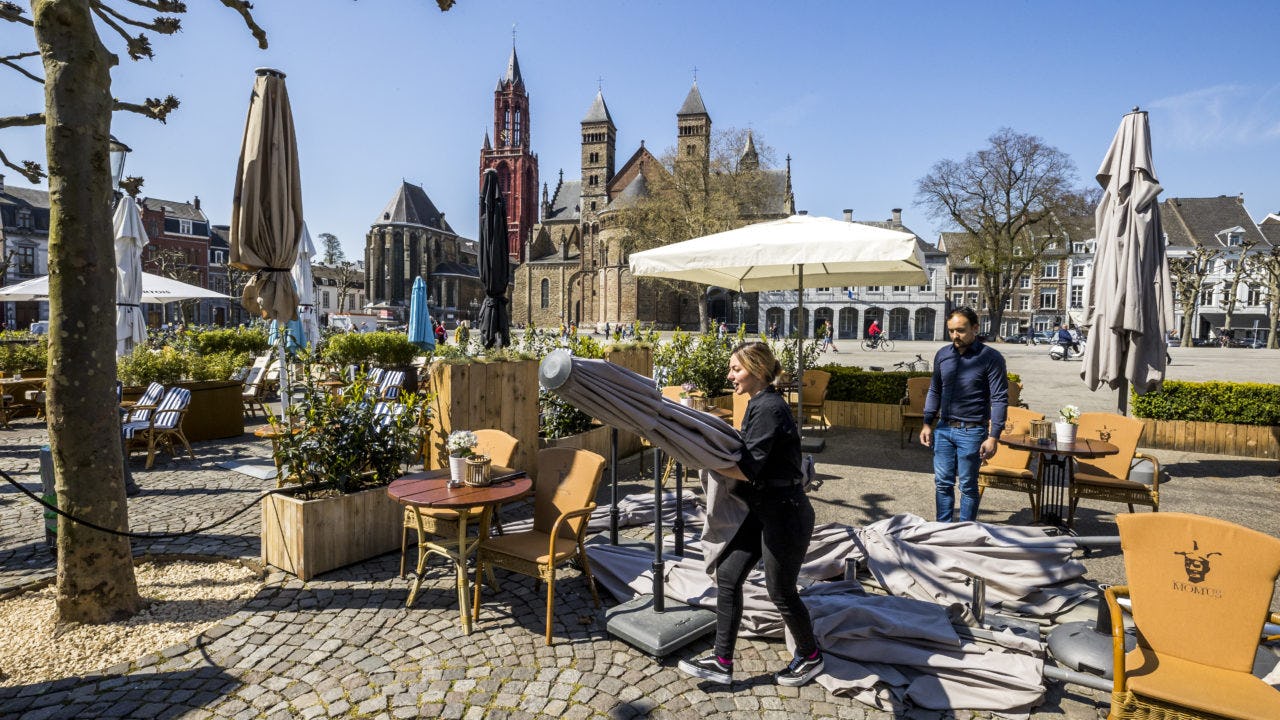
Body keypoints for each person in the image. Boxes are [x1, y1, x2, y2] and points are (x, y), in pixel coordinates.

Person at [677, 341, 823, 688]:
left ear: (757, 371)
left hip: (785, 514)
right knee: (728, 576)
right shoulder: (758, 403)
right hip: (762, 509)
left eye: (736, 369)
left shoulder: (769, 406)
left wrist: (704, 455)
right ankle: (722, 661)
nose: (730, 376)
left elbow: (750, 467)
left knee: (781, 591)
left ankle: (811, 656)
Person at [919, 307, 1009, 523]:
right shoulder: (943, 355)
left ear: (975, 328)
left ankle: (965, 532)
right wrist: (927, 423)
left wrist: (993, 436)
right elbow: (935, 390)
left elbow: (999, 398)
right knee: (942, 483)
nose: (955, 336)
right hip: (943, 429)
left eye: (960, 330)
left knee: (968, 486)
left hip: (973, 431)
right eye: (951, 331)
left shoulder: (991, 357)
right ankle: (942, 530)